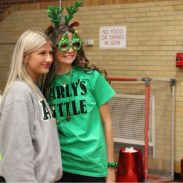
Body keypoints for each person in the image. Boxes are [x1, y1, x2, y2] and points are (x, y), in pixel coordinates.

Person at [44, 2, 116, 182]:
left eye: (74, 43)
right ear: (52, 48)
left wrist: (111, 167)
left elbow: (107, 122)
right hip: (60, 165)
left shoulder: (92, 78)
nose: (70, 50)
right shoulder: (45, 83)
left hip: (92, 166)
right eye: (64, 45)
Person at [0, 30, 62, 182]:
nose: (49, 59)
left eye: (50, 53)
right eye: (42, 53)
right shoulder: (19, 92)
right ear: (25, 57)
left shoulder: (33, 90)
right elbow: (17, 154)